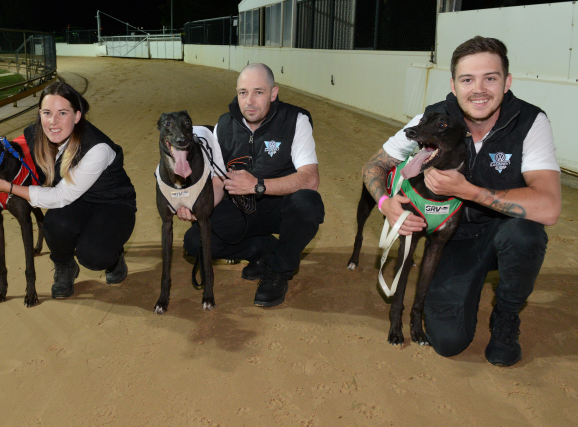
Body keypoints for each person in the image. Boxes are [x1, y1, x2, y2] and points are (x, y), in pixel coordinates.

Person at [362, 36, 561, 366]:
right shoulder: (432, 119)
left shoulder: (529, 122)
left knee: (526, 234)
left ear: (507, 82)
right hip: (453, 241)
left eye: (490, 78)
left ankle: (506, 320)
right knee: (448, 341)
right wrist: (386, 204)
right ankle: (465, 285)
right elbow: (374, 166)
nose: (478, 89)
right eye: (467, 79)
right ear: (453, 85)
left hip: (502, 234)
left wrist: (469, 191)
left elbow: (550, 206)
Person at [180, 63, 325, 307]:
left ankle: (278, 271)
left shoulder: (295, 120)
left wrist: (258, 185)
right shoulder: (224, 125)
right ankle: (263, 250)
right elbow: (217, 181)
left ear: (273, 93)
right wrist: (198, 206)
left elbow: (310, 178)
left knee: (308, 203)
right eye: (243, 93)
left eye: (258, 92)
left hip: (281, 206)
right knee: (195, 241)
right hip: (240, 206)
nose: (249, 101)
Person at [0, 81, 137, 299]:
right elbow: (11, 150)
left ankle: (113, 258)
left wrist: (8, 187)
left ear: (76, 116)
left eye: (62, 113)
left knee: (93, 256)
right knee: (55, 224)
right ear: (39, 114)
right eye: (47, 113)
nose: (53, 122)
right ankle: (65, 266)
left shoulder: (97, 148)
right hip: (78, 201)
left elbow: (60, 196)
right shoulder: (36, 135)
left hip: (112, 203)